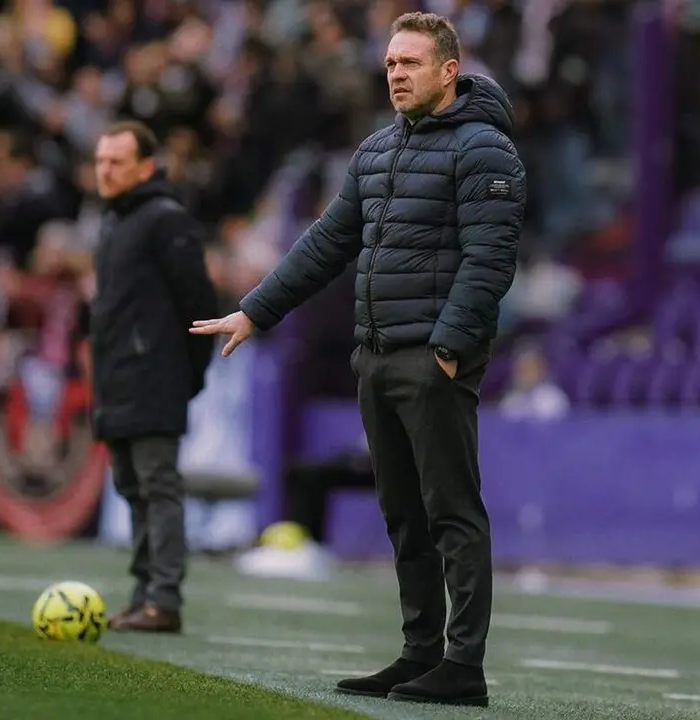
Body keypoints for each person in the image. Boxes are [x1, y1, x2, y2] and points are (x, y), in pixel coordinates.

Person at [191, 12, 525, 707]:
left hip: (431, 358)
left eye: (410, 63)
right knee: (403, 513)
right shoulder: (378, 151)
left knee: (451, 512)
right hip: (375, 355)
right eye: (390, 65)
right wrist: (256, 309)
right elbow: (325, 244)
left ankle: (464, 664)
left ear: (449, 70)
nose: (396, 75)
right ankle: (419, 652)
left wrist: (448, 348)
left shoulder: (485, 149)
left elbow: (490, 261)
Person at [90, 120, 218, 633]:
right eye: (100, 161)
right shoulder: (114, 222)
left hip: (153, 379)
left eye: (115, 162)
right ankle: (144, 594)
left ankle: (163, 598)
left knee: (157, 486)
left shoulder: (166, 220)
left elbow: (199, 304)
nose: (104, 171)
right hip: (117, 380)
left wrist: (186, 374)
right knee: (132, 488)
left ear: (146, 167)